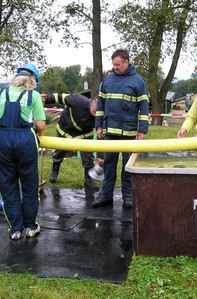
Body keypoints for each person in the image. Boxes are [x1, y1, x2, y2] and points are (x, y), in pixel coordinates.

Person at [0, 63, 46, 240]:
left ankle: (15, 229)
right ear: (33, 80)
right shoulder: (34, 95)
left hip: (3, 139)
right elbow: (40, 124)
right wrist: (41, 137)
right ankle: (31, 227)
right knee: (30, 185)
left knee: (8, 185)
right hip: (25, 140)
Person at [92, 49, 150, 209]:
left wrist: (142, 130)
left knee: (128, 167)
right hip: (110, 133)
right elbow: (101, 106)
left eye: (118, 64)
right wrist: (98, 126)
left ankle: (128, 196)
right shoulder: (107, 81)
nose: (115, 67)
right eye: (113, 65)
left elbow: (144, 108)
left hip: (129, 134)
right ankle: (105, 196)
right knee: (108, 166)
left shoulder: (138, 82)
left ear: (126, 62)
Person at [41, 92, 99, 191]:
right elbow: (59, 97)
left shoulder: (102, 114)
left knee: (88, 157)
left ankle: (88, 180)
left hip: (85, 134)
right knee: (59, 152)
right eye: (94, 110)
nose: (96, 114)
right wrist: (46, 98)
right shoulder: (77, 100)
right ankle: (55, 169)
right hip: (65, 130)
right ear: (92, 103)